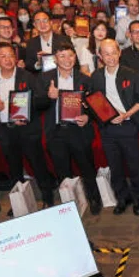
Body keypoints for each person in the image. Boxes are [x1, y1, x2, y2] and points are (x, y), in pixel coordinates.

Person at [0, 42, 56, 211]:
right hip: (5, 132)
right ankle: (20, 203)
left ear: (16, 57)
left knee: (38, 166)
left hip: (28, 130)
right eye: (3, 56)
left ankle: (48, 198)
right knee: (14, 169)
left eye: (10, 55)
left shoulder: (27, 76)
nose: (8, 60)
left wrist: (27, 109)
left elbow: (42, 101)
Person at [41, 43, 103, 215]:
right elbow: (37, 105)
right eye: (62, 56)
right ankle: (69, 203)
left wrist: (88, 117)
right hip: (56, 132)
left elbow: (95, 105)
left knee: (87, 168)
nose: (67, 60)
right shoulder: (46, 79)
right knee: (62, 171)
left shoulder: (85, 79)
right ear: (55, 59)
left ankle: (94, 198)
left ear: (75, 58)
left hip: (79, 130)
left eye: (70, 56)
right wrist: (49, 97)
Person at [90, 39, 139, 215]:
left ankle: (137, 199)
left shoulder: (132, 74)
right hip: (107, 129)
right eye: (106, 53)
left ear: (119, 52)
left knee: (134, 166)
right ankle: (122, 198)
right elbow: (93, 101)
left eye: (113, 52)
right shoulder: (96, 76)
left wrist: (126, 114)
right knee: (115, 167)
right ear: (100, 56)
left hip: (128, 126)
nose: (111, 57)